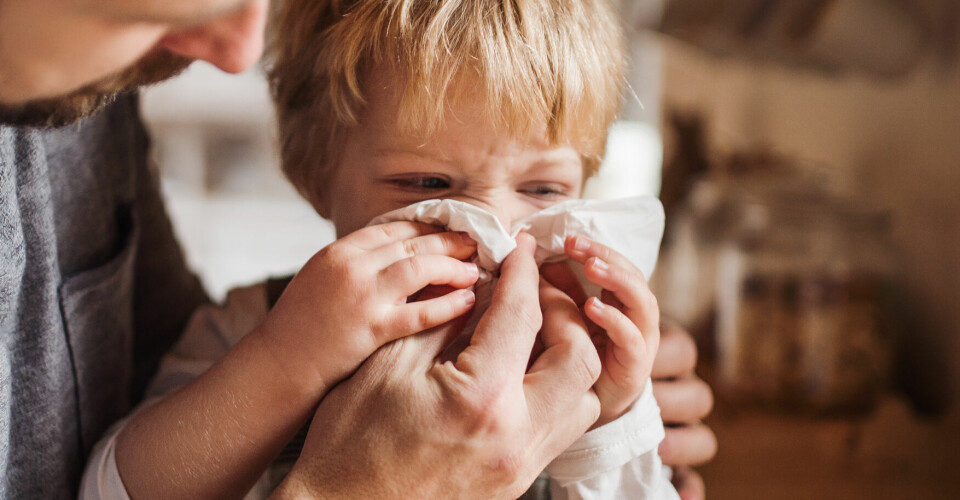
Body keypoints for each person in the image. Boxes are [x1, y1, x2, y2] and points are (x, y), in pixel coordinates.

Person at [0, 0, 714, 498]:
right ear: (316, 177)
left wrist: (612, 422)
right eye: (428, 184)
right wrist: (286, 361)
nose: (494, 233)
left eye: (545, 191)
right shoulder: (258, 327)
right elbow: (107, 491)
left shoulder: (572, 354)